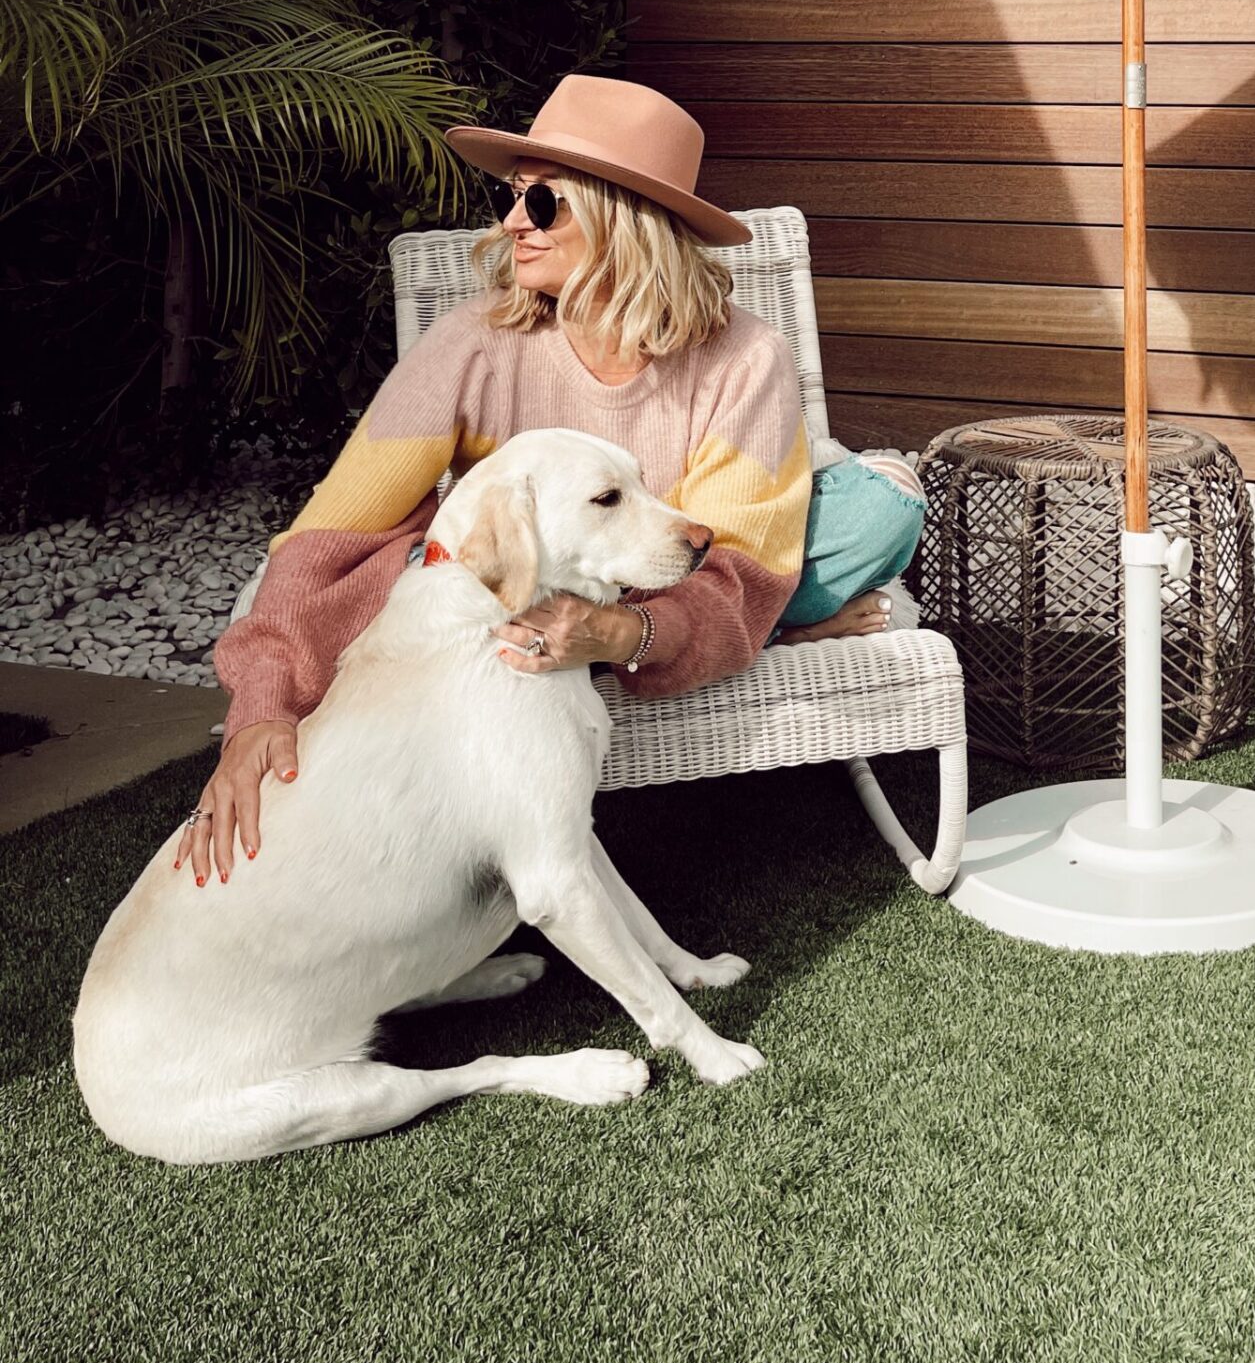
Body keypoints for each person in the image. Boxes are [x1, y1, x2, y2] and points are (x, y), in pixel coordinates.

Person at [178, 77, 923, 887]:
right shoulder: (472, 343)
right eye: (512, 197)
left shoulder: (745, 359)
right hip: (539, 577)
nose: (509, 225)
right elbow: (332, 532)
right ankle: (771, 632)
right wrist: (261, 708)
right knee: (373, 572)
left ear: (621, 220)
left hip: (673, 571)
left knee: (878, 509)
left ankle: (729, 632)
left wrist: (621, 634)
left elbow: (727, 562)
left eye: (540, 204)